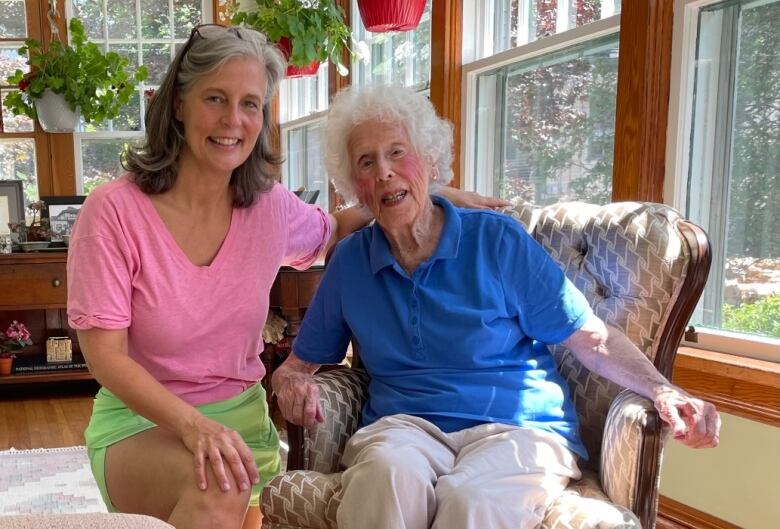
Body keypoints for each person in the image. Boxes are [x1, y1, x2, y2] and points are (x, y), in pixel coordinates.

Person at [66, 26, 504, 529]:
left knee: (229, 489)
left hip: (245, 427)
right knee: (219, 487)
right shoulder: (113, 212)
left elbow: (335, 226)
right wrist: (194, 428)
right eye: (216, 98)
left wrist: (428, 192)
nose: (234, 120)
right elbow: (106, 358)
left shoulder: (269, 207)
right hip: (143, 424)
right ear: (180, 105)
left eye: (250, 104)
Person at [272, 85, 722, 529]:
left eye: (397, 152)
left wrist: (664, 389)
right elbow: (297, 365)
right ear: (356, 187)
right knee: (383, 476)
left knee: (471, 500)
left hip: (518, 427)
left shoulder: (497, 240)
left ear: (428, 162)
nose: (385, 172)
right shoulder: (350, 263)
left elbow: (591, 338)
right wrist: (289, 382)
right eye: (366, 162)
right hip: (404, 426)